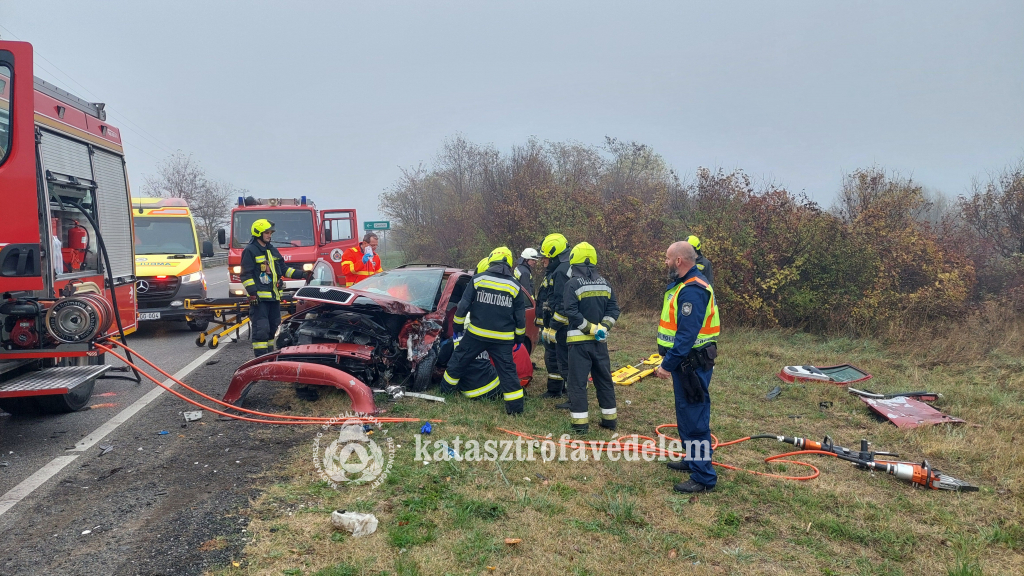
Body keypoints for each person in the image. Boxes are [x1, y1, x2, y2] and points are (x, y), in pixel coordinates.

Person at [655, 241, 720, 493]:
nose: (666, 262)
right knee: (685, 413)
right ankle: (692, 460)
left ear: (679, 261)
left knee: (695, 419)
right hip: (685, 364)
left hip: (691, 364)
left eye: (667, 258)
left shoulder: (693, 290)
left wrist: (666, 365)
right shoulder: (683, 285)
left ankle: (704, 477)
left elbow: (686, 335)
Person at [443, 247, 529, 414]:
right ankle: (516, 409)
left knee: (458, 361)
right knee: (508, 372)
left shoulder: (478, 279)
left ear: (491, 260)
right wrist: (519, 339)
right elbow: (520, 317)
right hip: (502, 339)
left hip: (476, 334)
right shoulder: (514, 285)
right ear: (509, 263)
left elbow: (462, 306)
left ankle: (445, 392)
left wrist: (458, 328)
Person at [558, 242, 620, 434]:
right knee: (604, 380)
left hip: (578, 344)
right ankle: (609, 420)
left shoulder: (572, 284)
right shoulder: (605, 283)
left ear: (573, 261)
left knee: (577, 383)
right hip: (600, 343)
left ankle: (580, 426)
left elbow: (570, 311)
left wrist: (590, 328)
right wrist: (603, 327)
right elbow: (614, 309)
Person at [240, 218, 311, 358]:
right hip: (259, 300)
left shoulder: (271, 250)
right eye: (266, 232)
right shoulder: (250, 250)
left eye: (270, 232)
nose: (269, 235)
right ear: (258, 233)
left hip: (274, 298)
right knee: (261, 330)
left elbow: (283, 269)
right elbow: (245, 274)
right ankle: (260, 360)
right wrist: (253, 293)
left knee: (274, 328)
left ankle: (270, 357)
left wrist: (303, 274)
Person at [536, 233, 572, 399]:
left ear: (554, 256)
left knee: (555, 357)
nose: (543, 261)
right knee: (557, 357)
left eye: (545, 258)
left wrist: (553, 327)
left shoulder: (560, 273)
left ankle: (556, 390)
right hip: (557, 323)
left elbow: (560, 301)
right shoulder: (560, 269)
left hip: (559, 325)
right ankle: (559, 388)